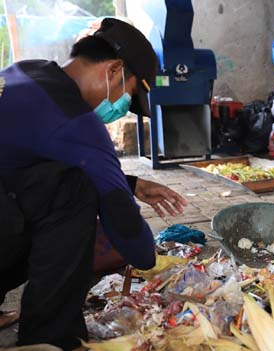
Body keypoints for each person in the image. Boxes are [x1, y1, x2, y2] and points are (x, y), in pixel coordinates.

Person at [0, 18, 187, 350]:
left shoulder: (28, 71)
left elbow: (32, 165)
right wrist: (159, 264)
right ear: (114, 70)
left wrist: (130, 183)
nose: (123, 108)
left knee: (58, 186)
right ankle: (51, 338)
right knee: (77, 193)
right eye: (128, 95)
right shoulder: (77, 121)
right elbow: (135, 244)